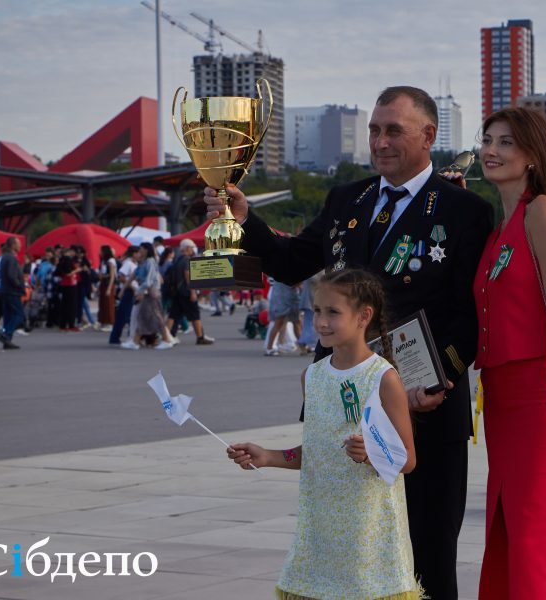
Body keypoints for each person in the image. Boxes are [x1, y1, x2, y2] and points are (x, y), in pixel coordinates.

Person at [205, 86, 493, 599]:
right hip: (343, 410)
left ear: (428, 136)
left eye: (394, 131)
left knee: (427, 557)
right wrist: (246, 220)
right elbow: (293, 264)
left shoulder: (464, 210)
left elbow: (468, 316)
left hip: (423, 410)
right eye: (375, 130)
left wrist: (437, 381)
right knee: (344, 553)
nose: (380, 142)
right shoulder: (347, 198)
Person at [449, 107, 546, 598]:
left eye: (506, 142)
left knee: (539, 518)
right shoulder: (496, 230)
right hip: (501, 391)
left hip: (538, 387)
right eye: (487, 140)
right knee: (509, 514)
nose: (491, 150)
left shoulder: (544, 209)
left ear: (533, 154)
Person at [226, 269, 419, 599]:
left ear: (363, 316)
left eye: (333, 312)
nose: (321, 321)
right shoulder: (312, 376)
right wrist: (268, 456)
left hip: (367, 525)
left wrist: (372, 453)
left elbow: (407, 460)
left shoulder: (383, 378)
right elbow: (318, 448)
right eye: (316, 310)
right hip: (320, 523)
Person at [121, 243, 176, 350]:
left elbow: (148, 281)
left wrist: (139, 291)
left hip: (151, 293)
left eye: (141, 249)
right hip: (148, 292)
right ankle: (136, 341)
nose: (139, 251)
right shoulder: (144, 262)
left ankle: (166, 339)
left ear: (146, 250)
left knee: (156, 316)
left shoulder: (150, 261)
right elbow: (136, 275)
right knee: (143, 317)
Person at [165, 239, 215, 345]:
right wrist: (193, 292)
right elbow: (188, 276)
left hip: (177, 292)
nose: (193, 250)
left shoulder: (177, 259)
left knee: (173, 315)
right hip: (186, 292)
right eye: (192, 248)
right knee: (195, 315)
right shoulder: (187, 260)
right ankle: (200, 337)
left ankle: (167, 336)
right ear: (187, 248)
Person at [0, 237, 25, 350]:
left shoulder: (4, 257)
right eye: (18, 244)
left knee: (8, 316)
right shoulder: (11, 258)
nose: (20, 246)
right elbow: (12, 276)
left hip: (4, 290)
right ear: (13, 245)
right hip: (12, 291)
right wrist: (20, 285)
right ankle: (5, 335)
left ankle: (7, 339)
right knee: (19, 315)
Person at [109, 246, 138, 344]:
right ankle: (130, 337)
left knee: (125, 315)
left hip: (132, 290)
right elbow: (121, 276)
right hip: (129, 290)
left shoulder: (134, 263)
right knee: (127, 315)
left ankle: (119, 337)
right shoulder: (129, 263)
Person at [97, 245, 117, 331]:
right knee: (102, 303)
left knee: (108, 304)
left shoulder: (111, 261)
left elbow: (112, 275)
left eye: (101, 251)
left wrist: (109, 288)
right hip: (103, 283)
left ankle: (110, 323)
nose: (100, 252)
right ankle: (103, 321)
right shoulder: (103, 261)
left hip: (108, 283)